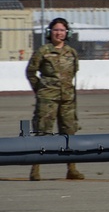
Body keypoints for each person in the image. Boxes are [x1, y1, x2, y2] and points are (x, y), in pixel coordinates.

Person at [25, 17, 84, 180]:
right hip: (47, 100)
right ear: (50, 33)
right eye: (56, 30)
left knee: (69, 132)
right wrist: (40, 89)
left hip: (67, 100)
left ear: (67, 33)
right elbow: (31, 72)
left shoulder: (71, 52)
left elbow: (74, 72)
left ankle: (71, 169)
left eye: (62, 30)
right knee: (43, 132)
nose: (59, 33)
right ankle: (35, 169)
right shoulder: (43, 51)